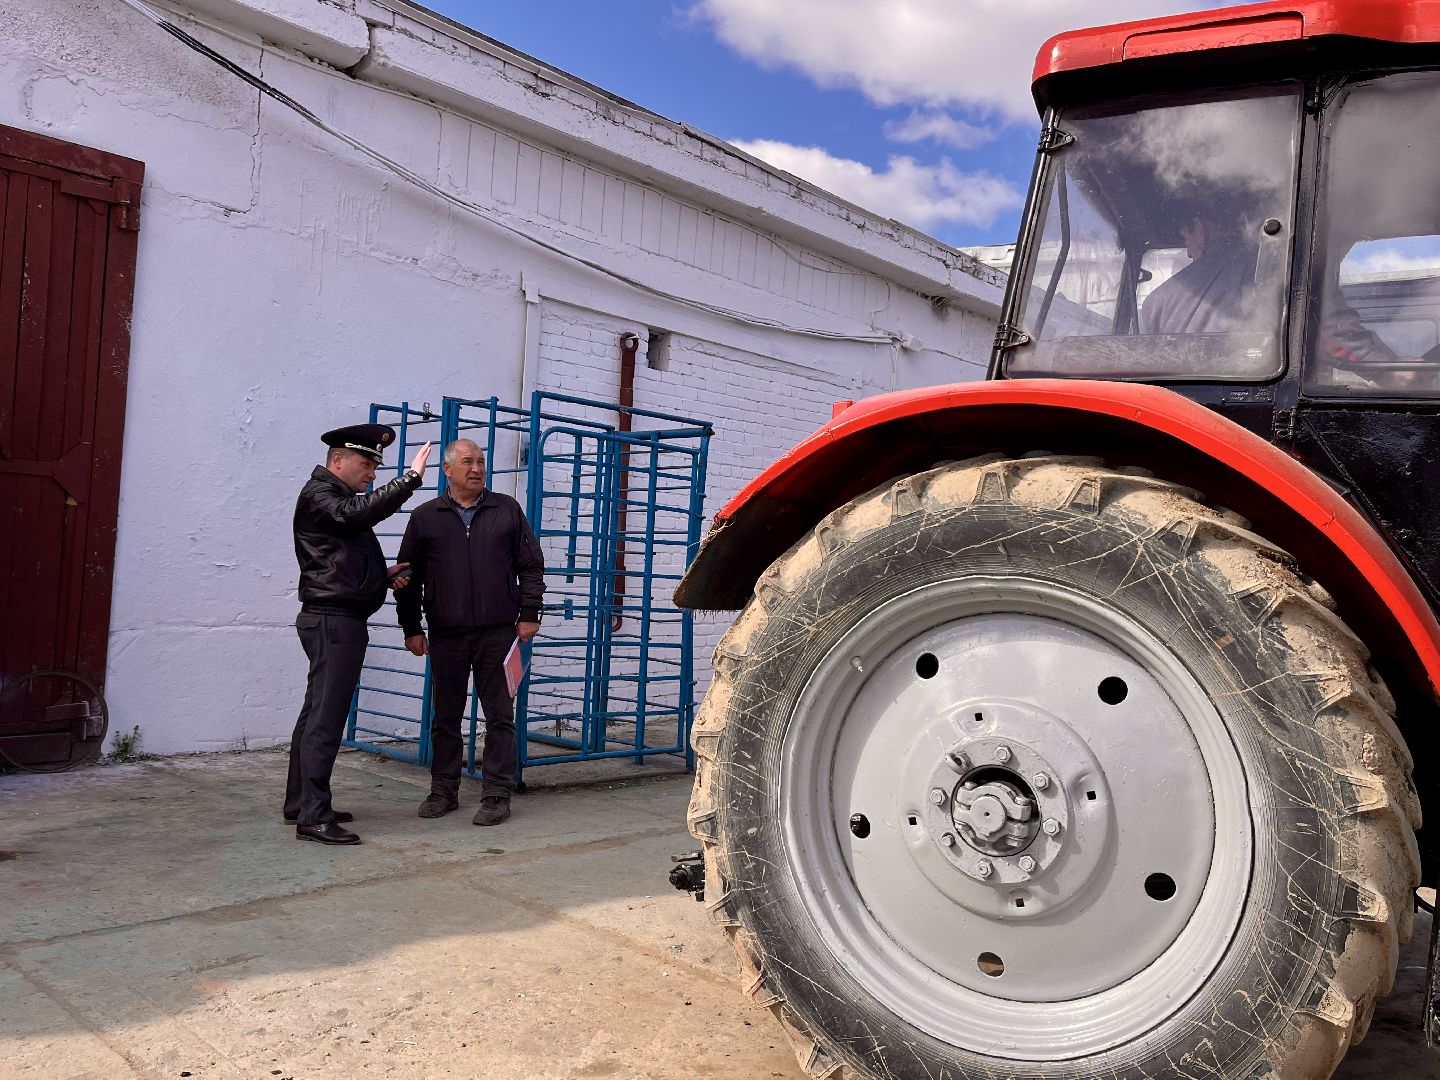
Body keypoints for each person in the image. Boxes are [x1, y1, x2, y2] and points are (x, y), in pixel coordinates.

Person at [285, 424, 431, 845]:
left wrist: (378, 577)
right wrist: (409, 479)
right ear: (338, 461)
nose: (371, 474)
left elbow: (336, 558)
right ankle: (312, 816)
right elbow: (357, 515)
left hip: (333, 616)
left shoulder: (330, 498)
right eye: (367, 464)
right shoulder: (323, 496)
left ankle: (301, 802)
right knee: (325, 721)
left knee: (315, 715)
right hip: (334, 621)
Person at [395, 438, 544, 826]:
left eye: (481, 461)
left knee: (499, 717)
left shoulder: (507, 510)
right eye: (467, 462)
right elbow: (408, 578)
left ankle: (496, 794)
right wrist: (411, 627)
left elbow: (531, 565)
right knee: (445, 717)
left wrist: (529, 612)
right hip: (446, 633)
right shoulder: (426, 517)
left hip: (498, 632)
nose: (476, 468)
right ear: (447, 469)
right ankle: (443, 790)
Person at [1140, 211, 1260, 335]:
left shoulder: (1156, 304)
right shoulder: (1268, 269)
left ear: (1199, 228)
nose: (1189, 253)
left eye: (1186, 238)